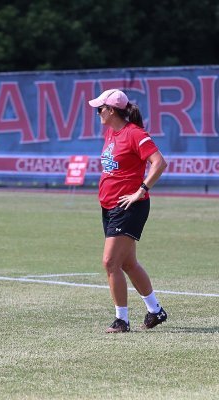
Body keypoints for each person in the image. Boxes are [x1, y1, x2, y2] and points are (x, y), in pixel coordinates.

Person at [88, 88, 168, 333]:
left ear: (112, 110)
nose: (98, 113)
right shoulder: (112, 133)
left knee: (110, 262)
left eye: (100, 109)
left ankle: (121, 320)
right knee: (128, 263)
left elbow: (159, 162)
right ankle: (155, 311)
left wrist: (140, 190)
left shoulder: (135, 134)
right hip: (110, 206)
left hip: (129, 206)